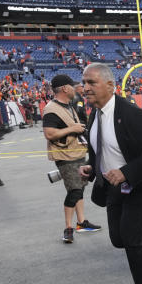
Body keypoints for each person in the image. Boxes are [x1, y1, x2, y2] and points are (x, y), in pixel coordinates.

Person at [79, 63, 142, 284]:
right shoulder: (94, 112)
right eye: (84, 82)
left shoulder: (132, 114)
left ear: (110, 85)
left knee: (129, 236)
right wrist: (91, 166)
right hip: (112, 186)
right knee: (119, 239)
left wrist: (126, 173)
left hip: (139, 183)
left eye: (91, 83)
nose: (85, 88)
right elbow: (101, 149)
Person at [42, 73, 101, 243]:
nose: (76, 88)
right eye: (72, 86)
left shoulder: (67, 105)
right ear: (65, 88)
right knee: (75, 190)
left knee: (79, 188)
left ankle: (81, 222)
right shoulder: (52, 108)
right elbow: (49, 133)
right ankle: (68, 228)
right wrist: (73, 128)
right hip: (66, 156)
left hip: (76, 153)